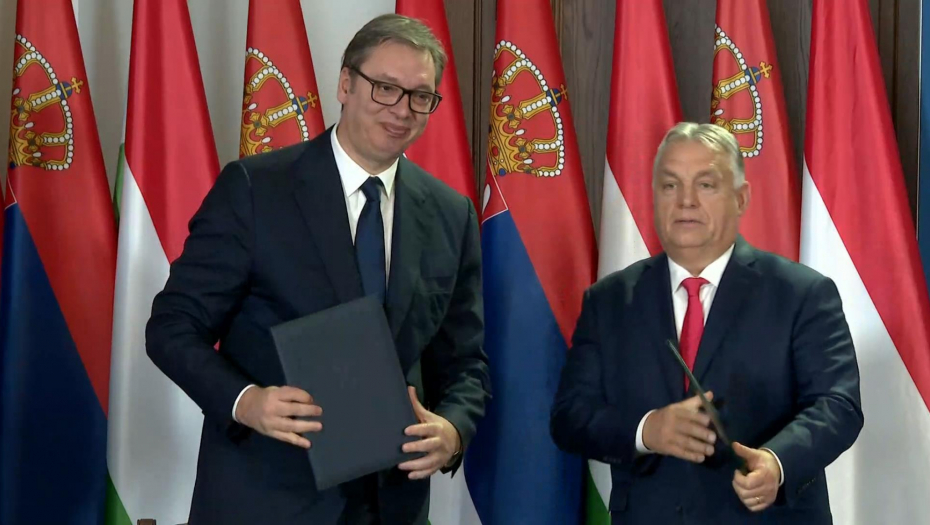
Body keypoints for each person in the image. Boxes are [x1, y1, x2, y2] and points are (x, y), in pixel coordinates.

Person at [146, 14, 490, 525]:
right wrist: (246, 401)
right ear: (345, 84)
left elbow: (466, 363)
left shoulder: (451, 213)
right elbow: (172, 328)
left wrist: (453, 430)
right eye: (385, 88)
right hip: (266, 500)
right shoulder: (255, 190)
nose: (402, 110)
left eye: (420, 96)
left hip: (393, 507)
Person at [550, 122, 862, 523]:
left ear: (741, 198)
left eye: (706, 185)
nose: (686, 201)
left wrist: (776, 461)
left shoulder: (801, 294)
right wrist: (647, 430)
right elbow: (571, 416)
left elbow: (838, 404)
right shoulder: (609, 301)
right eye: (670, 186)